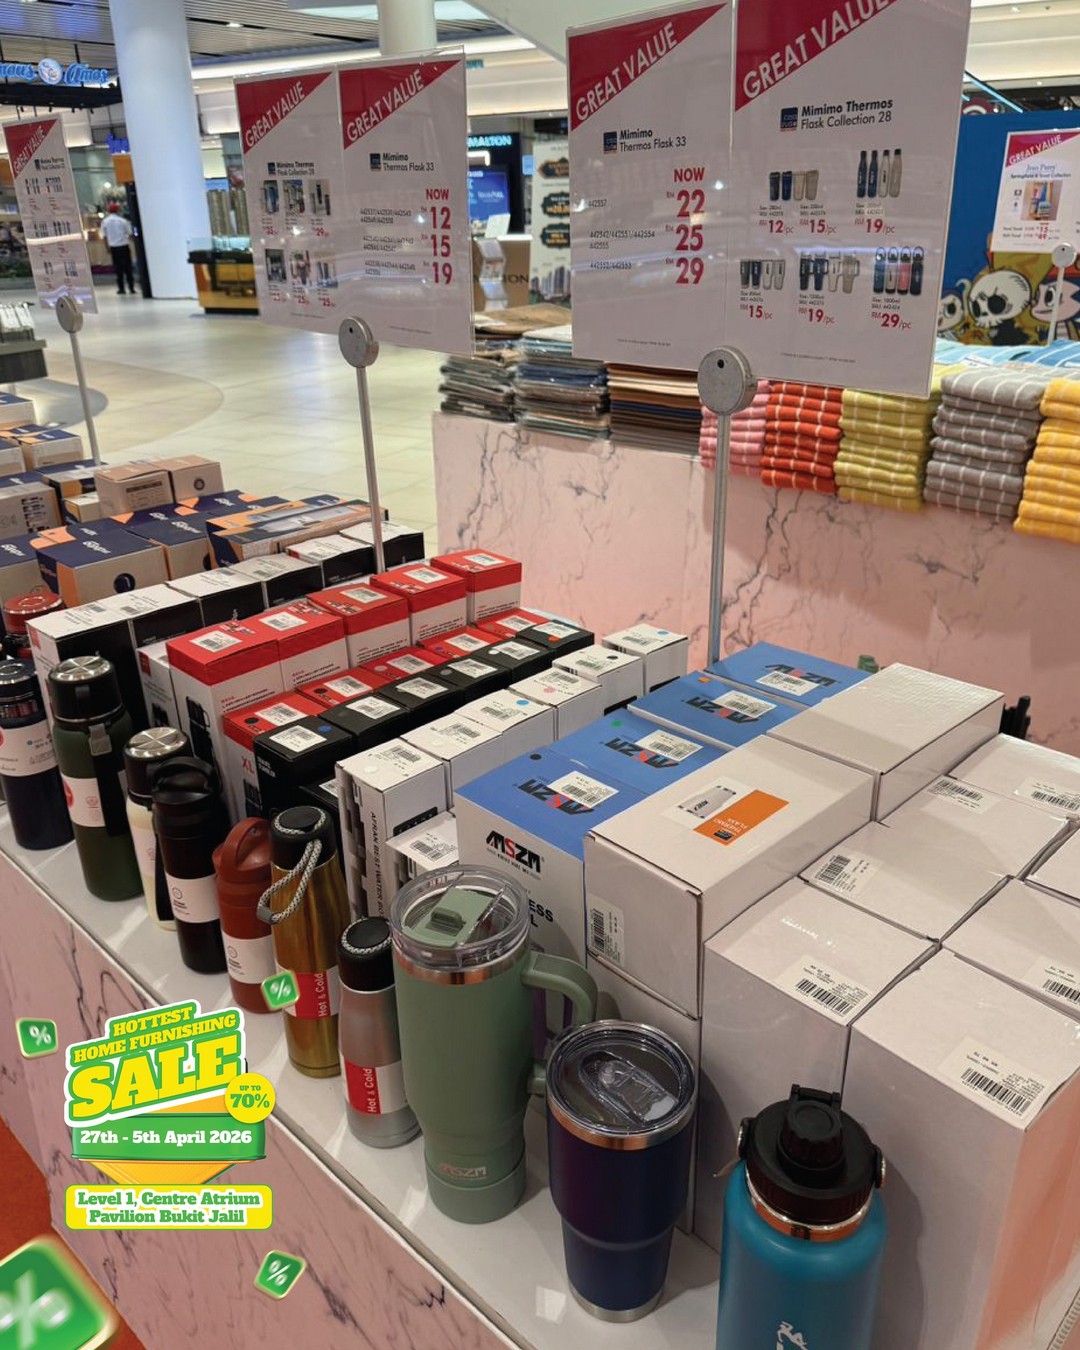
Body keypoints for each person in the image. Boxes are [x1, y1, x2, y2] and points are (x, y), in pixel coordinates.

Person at [101, 204, 136, 295]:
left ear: (108, 211)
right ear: (118, 211)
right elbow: (130, 234)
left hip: (114, 248)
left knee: (118, 268)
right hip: (124, 246)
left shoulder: (105, 222)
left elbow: (104, 237)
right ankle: (131, 288)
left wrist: (107, 248)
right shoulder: (123, 221)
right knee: (128, 268)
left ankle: (121, 289)